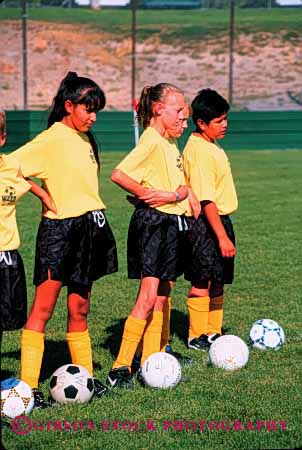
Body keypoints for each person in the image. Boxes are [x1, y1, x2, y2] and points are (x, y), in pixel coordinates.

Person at [10, 72, 118, 407]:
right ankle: (27, 389)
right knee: (43, 308)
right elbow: (8, 165)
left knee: (80, 308)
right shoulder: (51, 138)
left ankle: (85, 378)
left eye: (96, 110)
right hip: (59, 233)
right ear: (68, 105)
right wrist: (39, 192)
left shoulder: (86, 138)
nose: (93, 117)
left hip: (90, 229)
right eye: (88, 109)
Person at [107, 84, 199, 389]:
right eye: (178, 111)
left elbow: (184, 188)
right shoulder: (150, 140)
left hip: (171, 221)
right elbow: (119, 174)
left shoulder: (170, 144)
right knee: (148, 296)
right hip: (154, 223)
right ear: (158, 109)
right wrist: (145, 194)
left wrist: (173, 193)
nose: (183, 118)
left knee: (163, 292)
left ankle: (152, 359)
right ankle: (120, 367)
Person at [183, 89, 238, 351]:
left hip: (220, 220)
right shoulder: (200, 150)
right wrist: (222, 236)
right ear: (201, 123)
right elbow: (206, 200)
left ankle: (213, 332)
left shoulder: (210, 145)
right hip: (206, 224)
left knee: (218, 278)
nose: (224, 124)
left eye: (225, 119)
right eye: (218, 121)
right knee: (202, 279)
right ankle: (197, 335)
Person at [0, 111, 55, 336]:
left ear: (2, 138)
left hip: (6, 256)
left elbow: (24, 180)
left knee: (3, 321)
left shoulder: (10, 167)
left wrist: (44, 197)